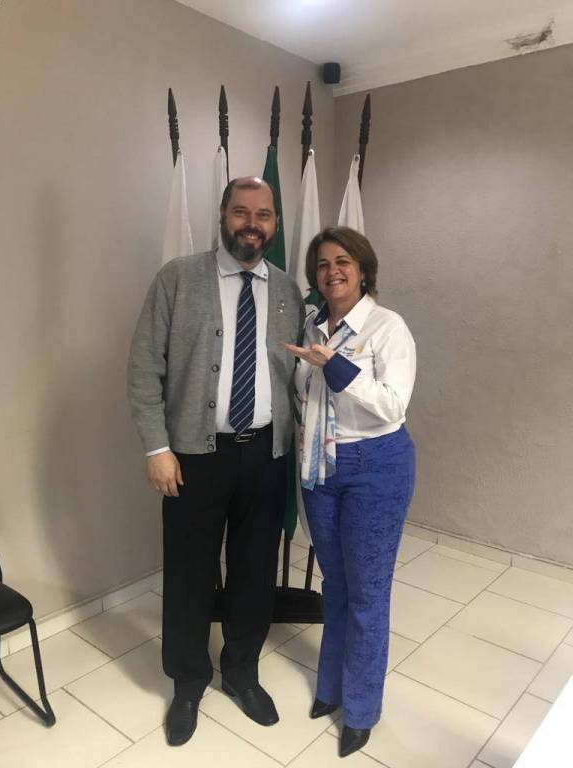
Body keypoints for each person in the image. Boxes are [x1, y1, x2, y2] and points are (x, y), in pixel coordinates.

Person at [128, 177, 305, 747]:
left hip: (267, 454)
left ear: (275, 224)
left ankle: (242, 671)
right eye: (241, 212)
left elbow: (299, 376)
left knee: (254, 570)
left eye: (264, 214)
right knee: (189, 572)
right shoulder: (178, 279)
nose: (252, 224)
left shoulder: (288, 291)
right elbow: (144, 367)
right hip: (193, 458)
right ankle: (187, 681)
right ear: (223, 216)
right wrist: (157, 448)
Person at [285, 226, 416, 758]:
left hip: (374, 467)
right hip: (321, 468)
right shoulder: (313, 325)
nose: (332, 271)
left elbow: (393, 405)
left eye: (343, 261)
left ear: (363, 270)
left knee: (367, 592)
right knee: (335, 584)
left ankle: (361, 708)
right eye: (322, 264)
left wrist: (334, 365)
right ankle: (332, 687)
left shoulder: (387, 327)